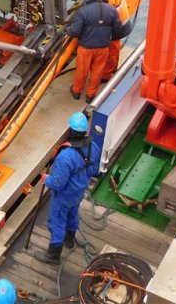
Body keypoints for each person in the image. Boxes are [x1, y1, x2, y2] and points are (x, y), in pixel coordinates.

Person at [36, 112, 100, 265]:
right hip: (79, 192)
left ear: (70, 131)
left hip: (64, 196)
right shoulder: (93, 146)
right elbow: (94, 170)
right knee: (72, 214)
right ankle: (69, 241)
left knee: (57, 221)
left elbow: (58, 183)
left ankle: (53, 256)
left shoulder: (66, 156)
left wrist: (46, 179)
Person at [67, 0, 131, 102]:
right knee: (97, 71)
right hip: (103, 48)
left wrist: (67, 31)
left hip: (86, 48)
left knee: (82, 70)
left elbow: (74, 31)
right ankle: (91, 95)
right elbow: (117, 28)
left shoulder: (83, 11)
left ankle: (76, 91)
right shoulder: (111, 10)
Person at [83, 0, 130, 81]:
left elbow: (104, 13)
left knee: (111, 49)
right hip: (122, 18)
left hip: (117, 24)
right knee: (114, 47)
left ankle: (106, 74)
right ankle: (111, 68)